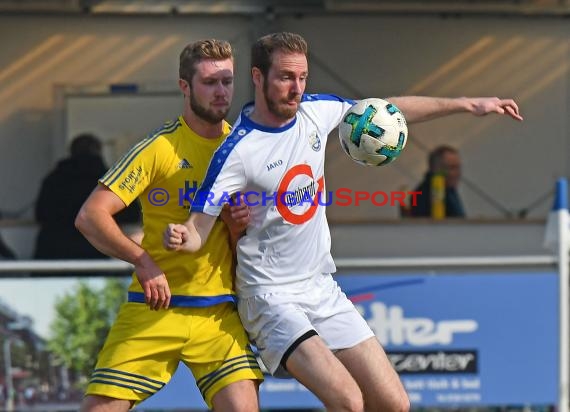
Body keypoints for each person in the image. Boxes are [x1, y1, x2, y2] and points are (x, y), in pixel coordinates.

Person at [164, 32, 523, 411]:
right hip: (270, 297)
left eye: (302, 78)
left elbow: (387, 111)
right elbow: (196, 231)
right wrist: (180, 236)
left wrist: (467, 104)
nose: (296, 88)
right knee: (349, 400)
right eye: (286, 77)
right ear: (258, 77)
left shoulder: (316, 113)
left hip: (321, 288)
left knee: (393, 403)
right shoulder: (237, 151)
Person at [74, 39, 263, 412]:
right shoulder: (159, 148)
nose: (221, 92)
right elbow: (90, 216)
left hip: (218, 314)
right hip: (156, 307)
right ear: (184, 86)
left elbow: (254, 238)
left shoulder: (245, 149)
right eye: (210, 82)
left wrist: (238, 227)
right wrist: (143, 262)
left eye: (227, 81)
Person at [34, 133, 141, 262]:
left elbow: (40, 214)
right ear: (99, 151)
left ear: (71, 152)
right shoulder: (109, 179)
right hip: (94, 251)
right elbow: (132, 215)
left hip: (53, 252)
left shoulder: (54, 179)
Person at [408, 145, 466, 218]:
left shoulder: (449, 190)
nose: (457, 173)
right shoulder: (424, 195)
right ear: (436, 168)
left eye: (458, 167)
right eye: (452, 167)